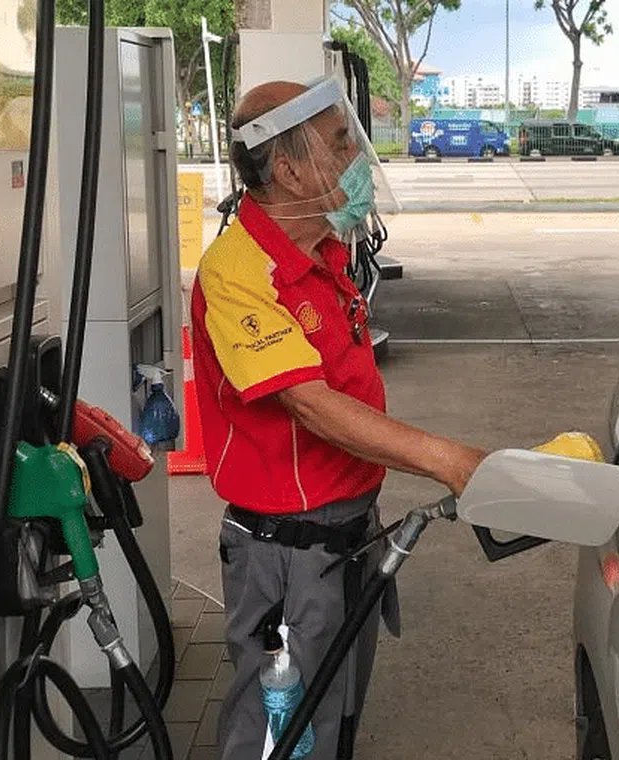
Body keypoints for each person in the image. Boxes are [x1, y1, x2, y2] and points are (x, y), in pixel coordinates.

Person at [190, 79, 488, 759]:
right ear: (289, 171)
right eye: (341, 142)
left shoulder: (322, 253)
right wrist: (448, 460)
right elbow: (312, 404)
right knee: (280, 736)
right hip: (286, 557)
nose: (357, 156)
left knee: (333, 719)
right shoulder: (238, 271)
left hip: (346, 537)